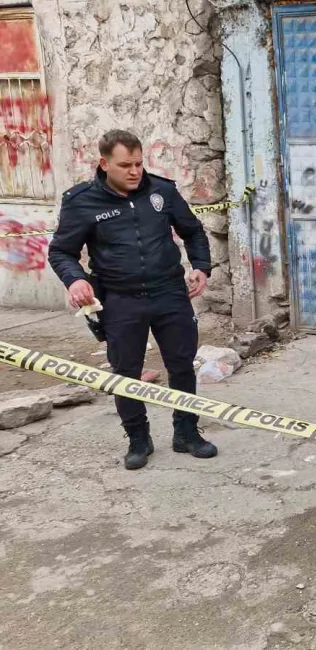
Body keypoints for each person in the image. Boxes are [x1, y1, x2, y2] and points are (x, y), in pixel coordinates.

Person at [47, 129, 215, 470]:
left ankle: (186, 432)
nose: (135, 171)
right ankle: (138, 439)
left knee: (182, 365)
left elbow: (193, 231)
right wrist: (75, 279)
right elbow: (61, 251)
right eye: (126, 165)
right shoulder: (81, 201)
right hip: (120, 299)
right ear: (104, 164)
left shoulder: (162, 191)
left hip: (170, 293)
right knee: (125, 372)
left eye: (139, 163)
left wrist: (201, 267)